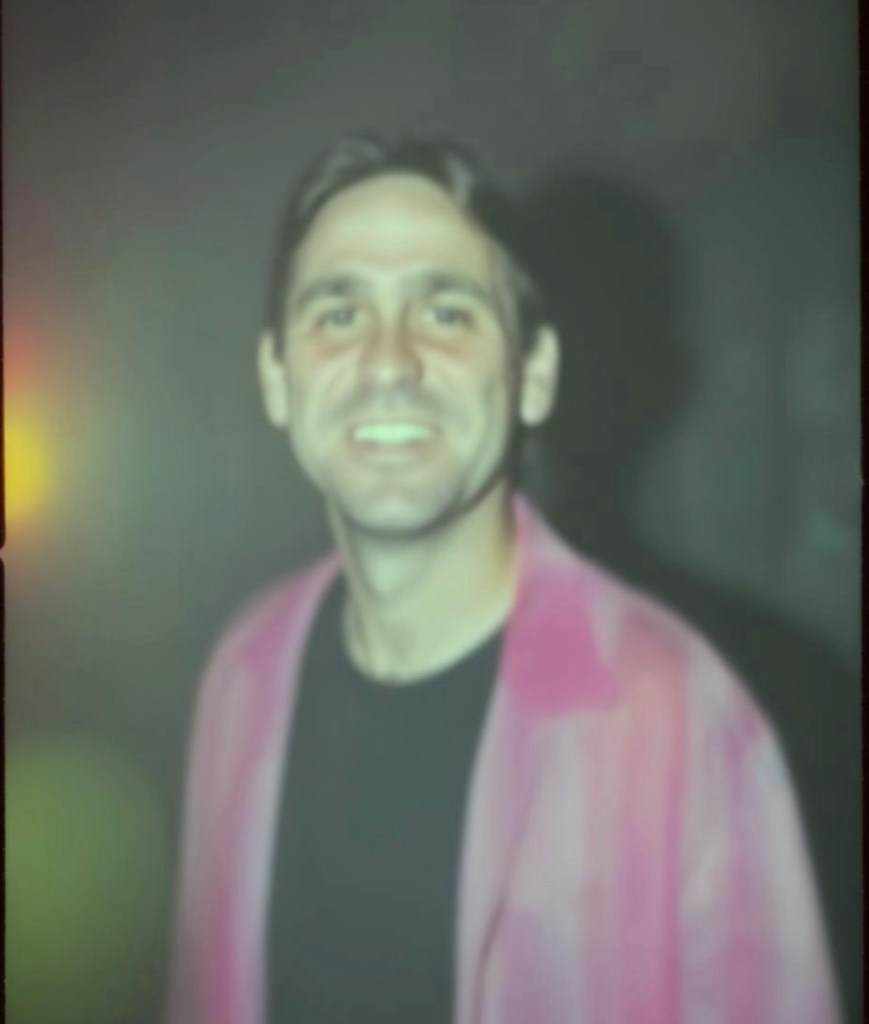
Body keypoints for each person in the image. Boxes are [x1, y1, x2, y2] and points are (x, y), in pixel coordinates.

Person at [165, 134, 842, 1024]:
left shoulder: (679, 715)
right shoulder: (240, 670)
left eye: (445, 312)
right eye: (338, 313)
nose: (387, 361)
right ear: (275, 379)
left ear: (533, 375)